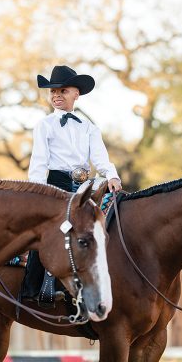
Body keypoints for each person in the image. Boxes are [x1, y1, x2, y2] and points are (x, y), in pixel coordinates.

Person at [23, 65, 121, 304]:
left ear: (76, 94)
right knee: (47, 230)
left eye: (63, 90)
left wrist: (112, 175)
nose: (56, 95)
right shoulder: (44, 125)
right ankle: (32, 288)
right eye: (52, 91)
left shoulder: (89, 128)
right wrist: (37, 192)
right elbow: (38, 163)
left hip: (83, 186)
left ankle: (102, 281)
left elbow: (100, 159)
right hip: (54, 185)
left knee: (99, 225)